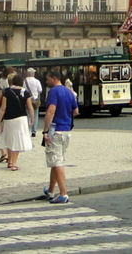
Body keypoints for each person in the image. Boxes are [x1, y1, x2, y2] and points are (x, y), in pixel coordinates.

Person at [43, 70, 79, 204]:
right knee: (56, 159)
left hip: (55, 130)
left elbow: (50, 111)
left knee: (57, 162)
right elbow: (75, 111)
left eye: (47, 79)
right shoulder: (69, 91)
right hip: (66, 131)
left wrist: (45, 131)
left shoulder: (53, 92)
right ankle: (51, 190)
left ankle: (63, 193)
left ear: (54, 78)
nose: (46, 82)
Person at [0, 73, 33, 170]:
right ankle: (13, 163)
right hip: (21, 119)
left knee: (10, 140)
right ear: (22, 82)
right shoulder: (25, 92)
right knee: (18, 141)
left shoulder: (7, 92)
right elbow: (29, 107)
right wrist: (32, 117)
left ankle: (10, 160)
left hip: (8, 119)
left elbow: (3, 108)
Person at [24, 68, 43, 137]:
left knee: (27, 115)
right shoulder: (37, 81)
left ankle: (27, 130)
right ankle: (34, 130)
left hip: (27, 100)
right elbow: (40, 90)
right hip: (35, 100)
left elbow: (23, 90)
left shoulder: (24, 81)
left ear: (28, 73)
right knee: (35, 115)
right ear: (33, 73)